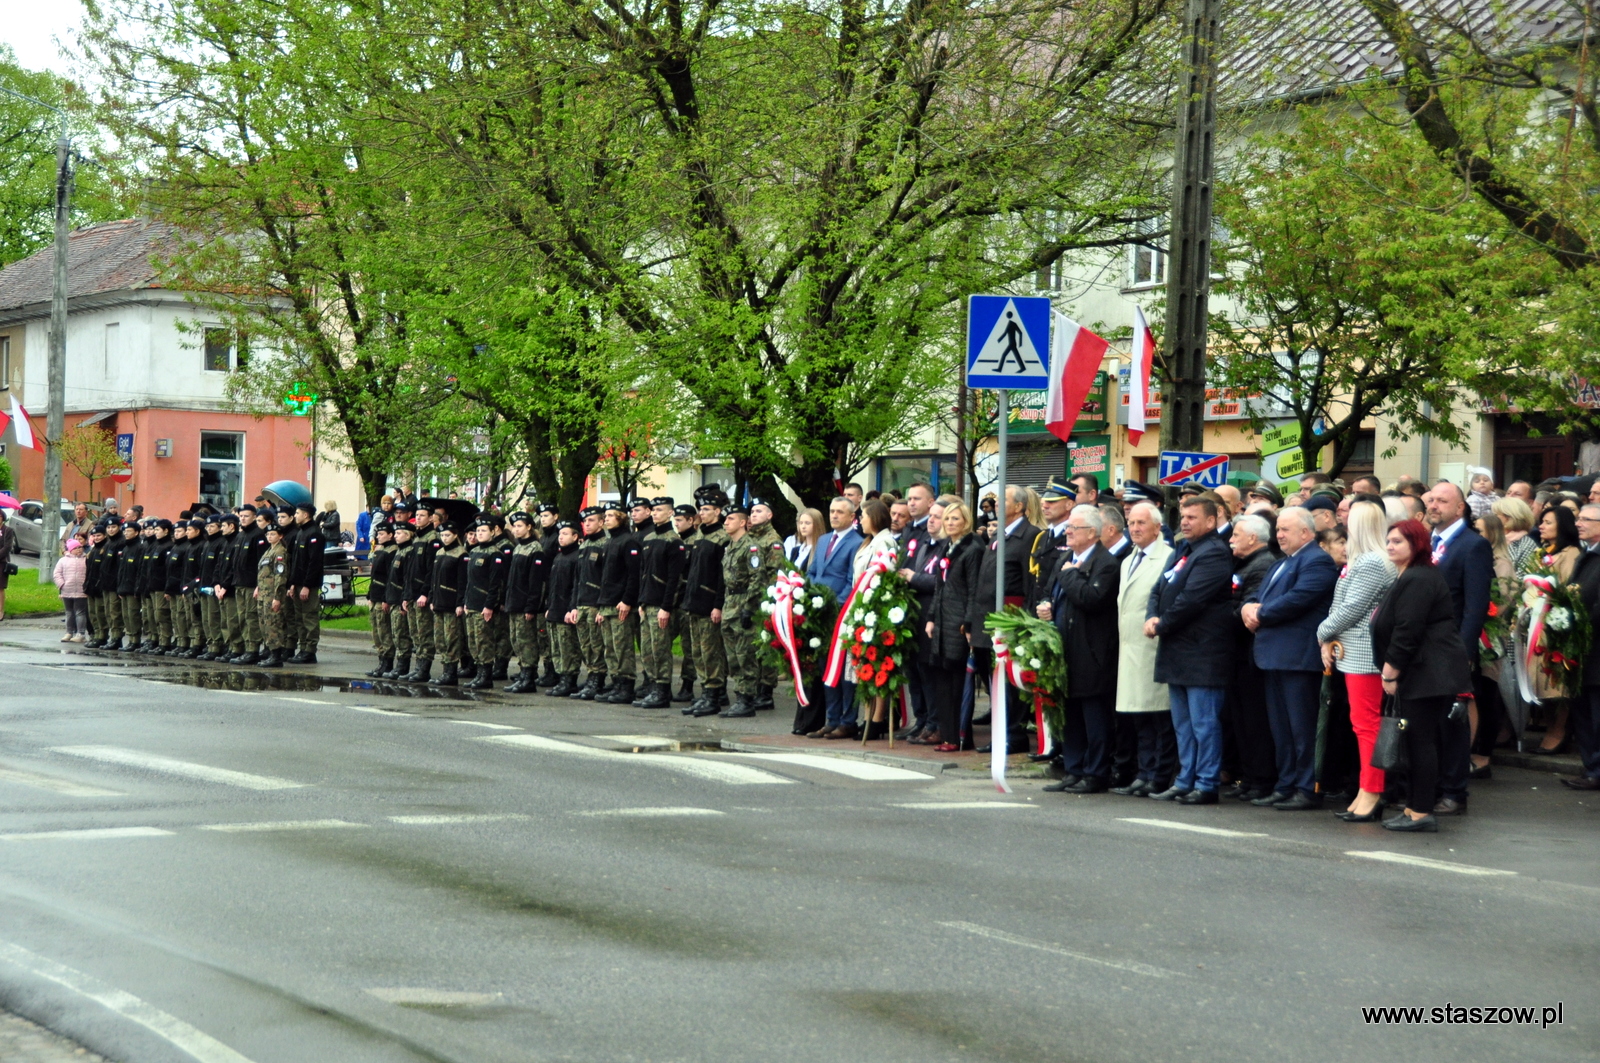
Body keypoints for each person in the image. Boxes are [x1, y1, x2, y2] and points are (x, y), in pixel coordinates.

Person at [1370, 519, 1473, 832]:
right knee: (1417, 741)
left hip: (1426, 673)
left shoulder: (1418, 577)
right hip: (1422, 672)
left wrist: (1390, 671)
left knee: (1420, 742)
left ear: (1417, 545)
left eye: (1398, 541)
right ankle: (1414, 807)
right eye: (1388, 541)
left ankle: (1420, 811)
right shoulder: (1410, 575)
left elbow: (1407, 630)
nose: (1390, 546)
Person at [1242, 507, 1339, 811]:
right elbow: (1257, 594)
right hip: (1274, 657)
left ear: (1306, 533)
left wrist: (1261, 613)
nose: (1279, 535)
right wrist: (1247, 607)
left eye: (1285, 530)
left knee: (1302, 728)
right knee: (1281, 729)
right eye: (1278, 530)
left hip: (1298, 658)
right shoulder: (1282, 563)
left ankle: (1307, 787)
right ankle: (1285, 784)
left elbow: (1299, 599)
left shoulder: (1317, 561)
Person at [1145, 495, 1236, 804]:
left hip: (1202, 653)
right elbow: (1159, 588)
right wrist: (1151, 615)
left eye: (1192, 517)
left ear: (1211, 521)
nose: (1184, 521)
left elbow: (1192, 600)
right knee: (1183, 725)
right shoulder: (1185, 548)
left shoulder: (1214, 553)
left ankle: (1206, 783)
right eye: (1183, 516)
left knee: (1204, 723)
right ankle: (1185, 780)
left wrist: (1161, 624)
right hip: (1178, 650)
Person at [1316, 501, 1397, 821]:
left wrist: (1322, 633)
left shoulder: (1373, 563)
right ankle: (1367, 789)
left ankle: (1373, 791)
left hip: (1364, 655)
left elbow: (1351, 608)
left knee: (1367, 726)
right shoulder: (1366, 560)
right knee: (1361, 724)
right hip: (1355, 651)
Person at [1036, 504, 1121, 793]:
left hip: (1092, 654)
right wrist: (1045, 607)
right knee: (1070, 714)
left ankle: (1095, 772)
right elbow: (1048, 593)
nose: (1068, 531)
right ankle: (1073, 769)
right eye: (1069, 527)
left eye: (1075, 527)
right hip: (1064, 651)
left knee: (1094, 717)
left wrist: (1071, 576)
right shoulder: (1064, 558)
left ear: (1093, 533)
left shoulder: (1106, 563)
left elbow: (1091, 598)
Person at [1423, 481, 1494, 815]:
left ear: (1460, 507)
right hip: (1422, 649)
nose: (1434, 505)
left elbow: (1475, 606)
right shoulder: (1428, 542)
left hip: (1451, 649)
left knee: (1453, 722)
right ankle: (1432, 786)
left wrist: (1463, 652)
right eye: (1431, 499)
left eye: (1442, 500)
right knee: (1429, 723)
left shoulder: (1472, 545)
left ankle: (1454, 791)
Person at [1106, 503, 1175, 795]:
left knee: (1159, 717)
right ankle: (1143, 774)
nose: (1134, 528)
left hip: (1152, 648)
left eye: (1141, 523)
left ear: (1157, 528)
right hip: (1130, 648)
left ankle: (1159, 776)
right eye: (1131, 523)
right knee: (1138, 717)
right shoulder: (1128, 559)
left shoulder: (1168, 558)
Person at [1521, 505, 1583, 754]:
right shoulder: (1542, 552)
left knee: (1556, 681)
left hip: (1555, 625)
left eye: (1547, 522)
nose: (1541, 526)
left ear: (1562, 525)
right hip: (1536, 625)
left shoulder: (1570, 553)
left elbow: (1567, 590)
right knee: (1540, 681)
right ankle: (1550, 725)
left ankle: (1559, 729)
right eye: (1541, 522)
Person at [1226, 514, 1278, 802]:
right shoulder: (1243, 563)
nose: (1231, 538)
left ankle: (1261, 778)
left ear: (1253, 538)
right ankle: (1248, 777)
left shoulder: (1262, 565)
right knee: (1241, 721)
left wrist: (1221, 615)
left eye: (1237, 534)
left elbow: (1244, 609)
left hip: (1250, 655)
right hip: (1236, 655)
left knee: (1256, 721)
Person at [923, 501, 981, 751]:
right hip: (943, 621)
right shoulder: (946, 547)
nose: (950, 523)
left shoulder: (972, 549)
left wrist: (968, 623)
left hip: (958, 623)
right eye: (947, 519)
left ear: (966, 521)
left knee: (959, 682)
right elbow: (939, 586)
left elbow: (973, 591)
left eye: (955, 519)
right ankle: (947, 735)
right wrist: (931, 617)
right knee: (942, 681)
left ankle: (959, 737)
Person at [808, 496, 864, 738]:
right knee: (825, 667)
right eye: (831, 511)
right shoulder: (822, 540)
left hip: (840, 613)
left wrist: (833, 603)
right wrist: (808, 596)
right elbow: (812, 572)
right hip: (817, 613)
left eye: (840, 512)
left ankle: (847, 720)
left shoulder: (857, 543)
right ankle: (831, 719)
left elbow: (853, 580)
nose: (834, 516)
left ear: (852, 517)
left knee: (843, 670)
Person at [849, 499, 900, 739]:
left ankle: (877, 719)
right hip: (861, 607)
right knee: (864, 665)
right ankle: (867, 717)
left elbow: (883, 576)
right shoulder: (869, 541)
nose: (860, 519)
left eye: (864, 515)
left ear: (876, 517)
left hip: (875, 609)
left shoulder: (885, 541)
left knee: (876, 663)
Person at [681, 490, 730, 716]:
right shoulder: (700, 535)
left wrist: (717, 604)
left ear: (718, 512)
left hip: (709, 601)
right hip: (694, 600)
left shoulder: (722, 538)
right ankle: (706, 692)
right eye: (700, 509)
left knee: (711, 651)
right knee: (697, 651)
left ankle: (714, 693)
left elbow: (722, 577)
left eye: (707, 509)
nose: (702, 513)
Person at [635, 499, 688, 709]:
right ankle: (653, 684)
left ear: (670, 513)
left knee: (660, 649)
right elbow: (643, 572)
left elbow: (674, 578)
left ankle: (663, 689)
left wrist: (667, 607)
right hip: (647, 602)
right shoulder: (648, 539)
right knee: (647, 649)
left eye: (660, 510)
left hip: (661, 605)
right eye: (654, 510)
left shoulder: (673, 541)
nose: (655, 514)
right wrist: (641, 600)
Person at [595, 503, 643, 705]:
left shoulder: (628, 542)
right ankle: (615, 683)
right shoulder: (609, 542)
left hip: (620, 603)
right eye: (605, 515)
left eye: (610, 515)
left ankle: (626, 685)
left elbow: (634, 575)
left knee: (622, 647)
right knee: (610, 648)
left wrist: (627, 600)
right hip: (607, 602)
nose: (606, 519)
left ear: (621, 518)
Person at [1567, 503, 1600, 791]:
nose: (1579, 523)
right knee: (1584, 713)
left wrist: (1576, 624)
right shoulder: (1586, 554)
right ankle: (1592, 769)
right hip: (1581, 650)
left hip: (1595, 647)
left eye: (1587, 519)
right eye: (1579, 518)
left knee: (1596, 714)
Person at [502, 512, 548, 694]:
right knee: (516, 640)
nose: (516, 530)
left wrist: (531, 605)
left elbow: (536, 582)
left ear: (529, 527)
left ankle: (529, 677)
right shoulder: (518, 548)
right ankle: (523, 673)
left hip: (525, 604)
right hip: (514, 601)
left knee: (526, 641)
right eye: (514, 526)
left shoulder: (535, 549)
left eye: (519, 526)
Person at [430, 521, 471, 686]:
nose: (444, 538)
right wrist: (432, 597)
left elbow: (463, 581)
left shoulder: (461, 554)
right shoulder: (440, 552)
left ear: (455, 535)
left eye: (447, 535)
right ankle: (445, 669)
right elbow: (434, 578)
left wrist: (460, 603)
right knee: (440, 639)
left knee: (452, 638)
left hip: (452, 602)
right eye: (442, 535)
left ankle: (451, 672)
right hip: (439, 601)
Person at [254, 522, 291, 667]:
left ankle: (276, 655)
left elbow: (280, 576)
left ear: (280, 536)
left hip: (272, 594)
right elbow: (264, 573)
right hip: (264, 593)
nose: (270, 536)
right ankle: (269, 651)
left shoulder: (280, 552)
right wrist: (258, 587)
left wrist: (277, 597)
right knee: (264, 623)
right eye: (268, 534)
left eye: (273, 534)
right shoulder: (269, 550)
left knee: (273, 624)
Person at [53, 538, 89, 641]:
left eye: (80, 547)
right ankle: (69, 632)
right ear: (70, 549)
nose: (78, 550)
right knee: (69, 612)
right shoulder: (63, 560)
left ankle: (80, 633)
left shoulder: (86, 559)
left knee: (80, 612)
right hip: (67, 590)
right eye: (75, 548)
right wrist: (62, 585)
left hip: (81, 591)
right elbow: (57, 573)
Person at [1491, 495, 1538, 572]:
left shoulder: (1526, 544)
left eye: (1496, 515)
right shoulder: (1491, 538)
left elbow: (1522, 577)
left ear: (1509, 518)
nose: (1492, 518)